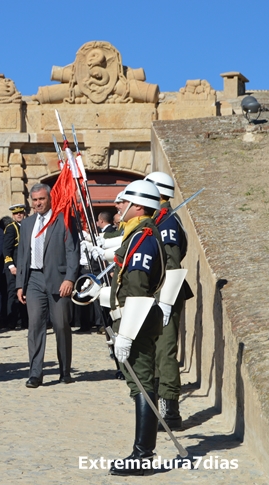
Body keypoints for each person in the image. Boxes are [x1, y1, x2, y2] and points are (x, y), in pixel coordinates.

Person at [102, 180, 166, 476]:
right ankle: (141, 451)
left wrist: (125, 334)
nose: (118, 205)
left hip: (136, 320)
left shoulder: (144, 238)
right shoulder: (136, 235)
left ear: (138, 205)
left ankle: (142, 456)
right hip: (131, 317)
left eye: (123, 200)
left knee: (141, 381)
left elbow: (138, 289)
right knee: (135, 381)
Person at [16, 184, 80, 388]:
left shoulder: (63, 219)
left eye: (41, 199)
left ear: (50, 199)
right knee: (35, 325)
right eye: (34, 200)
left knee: (61, 325)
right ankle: (35, 373)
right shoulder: (27, 224)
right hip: (34, 280)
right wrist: (20, 284)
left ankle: (65, 370)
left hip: (58, 279)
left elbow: (72, 251)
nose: (38, 203)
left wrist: (70, 278)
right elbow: (22, 255)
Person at [145, 171, 194, 431]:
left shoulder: (167, 222)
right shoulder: (155, 219)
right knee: (153, 352)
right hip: (153, 294)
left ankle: (170, 408)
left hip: (167, 294)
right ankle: (155, 403)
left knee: (165, 352)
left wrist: (165, 301)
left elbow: (173, 264)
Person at [3, 204, 27, 330]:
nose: (19, 215)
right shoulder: (11, 228)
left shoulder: (27, 226)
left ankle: (24, 321)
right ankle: (11, 321)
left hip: (24, 266)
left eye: (21, 213)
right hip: (14, 266)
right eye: (16, 213)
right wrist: (11, 266)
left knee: (24, 293)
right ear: (13, 215)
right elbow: (6, 249)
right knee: (13, 293)